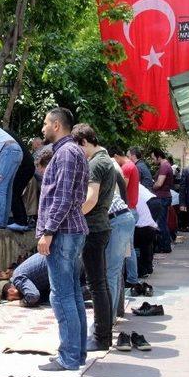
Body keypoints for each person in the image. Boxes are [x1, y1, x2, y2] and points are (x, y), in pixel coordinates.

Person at [36, 108, 89, 372]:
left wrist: (47, 232)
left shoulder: (66, 153)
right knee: (72, 294)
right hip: (70, 231)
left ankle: (69, 357)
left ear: (57, 125)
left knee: (63, 296)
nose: (42, 128)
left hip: (63, 233)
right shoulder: (72, 151)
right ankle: (76, 354)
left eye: (46, 123)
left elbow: (63, 197)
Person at [73, 123, 115, 352]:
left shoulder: (96, 164)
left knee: (96, 285)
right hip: (102, 227)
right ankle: (103, 333)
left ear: (84, 143)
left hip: (94, 229)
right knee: (101, 284)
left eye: (77, 148)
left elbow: (90, 200)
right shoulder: (106, 161)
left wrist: (71, 215)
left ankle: (101, 337)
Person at [105, 169, 135, 324]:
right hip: (122, 217)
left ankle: (108, 321)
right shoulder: (108, 166)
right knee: (114, 272)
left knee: (111, 273)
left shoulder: (92, 169)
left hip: (117, 220)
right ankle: (112, 316)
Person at [7, 131, 35, 232]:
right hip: (28, 166)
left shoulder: (3, 137)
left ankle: (21, 222)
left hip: (25, 167)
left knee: (14, 192)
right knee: (16, 193)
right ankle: (22, 221)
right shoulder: (8, 134)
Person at [150, 148, 174, 253]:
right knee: (162, 222)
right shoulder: (166, 165)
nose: (153, 161)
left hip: (162, 197)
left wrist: (151, 187)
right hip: (164, 196)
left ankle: (165, 246)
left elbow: (159, 183)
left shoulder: (164, 166)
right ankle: (165, 245)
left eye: (153, 158)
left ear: (158, 156)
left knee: (161, 223)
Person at [135, 184, 158, 277]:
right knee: (146, 246)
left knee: (134, 247)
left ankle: (142, 270)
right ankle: (148, 267)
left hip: (143, 227)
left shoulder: (131, 192)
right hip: (150, 226)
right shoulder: (138, 187)